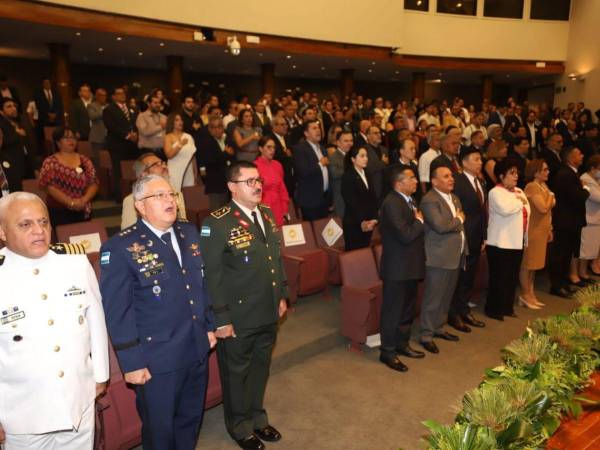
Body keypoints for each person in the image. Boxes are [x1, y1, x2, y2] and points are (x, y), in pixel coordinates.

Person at [100, 174, 216, 450]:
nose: (170, 201)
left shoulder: (188, 232)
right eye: (160, 196)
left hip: (196, 345)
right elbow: (118, 311)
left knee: (190, 419)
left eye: (171, 195)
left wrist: (210, 325)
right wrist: (132, 361)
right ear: (140, 205)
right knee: (160, 430)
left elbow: (202, 283)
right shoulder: (120, 247)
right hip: (157, 360)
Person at [0, 192, 109, 449]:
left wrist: (101, 376)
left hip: (77, 403)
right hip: (22, 417)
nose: (39, 231)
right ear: (3, 232)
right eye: (25, 225)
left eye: (44, 222)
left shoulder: (75, 263)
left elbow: (96, 321)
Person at [200, 161, 288, 450]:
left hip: (267, 309)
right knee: (237, 373)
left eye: (258, 180)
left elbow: (275, 258)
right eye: (249, 181)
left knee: (261, 367)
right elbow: (212, 275)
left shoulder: (265, 212)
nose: (257, 185)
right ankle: (239, 426)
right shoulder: (217, 221)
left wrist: (282, 295)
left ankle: (257, 418)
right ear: (231, 187)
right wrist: (221, 318)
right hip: (238, 316)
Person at [378, 165, 425, 372]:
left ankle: (402, 344)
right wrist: (420, 222)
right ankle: (387, 352)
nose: (416, 181)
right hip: (397, 267)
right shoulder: (391, 203)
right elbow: (405, 234)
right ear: (399, 183)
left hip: (411, 264)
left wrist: (417, 222)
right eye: (412, 178)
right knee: (393, 311)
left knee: (407, 309)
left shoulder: (409, 200)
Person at [419, 166, 466, 354]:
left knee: (446, 295)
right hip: (438, 256)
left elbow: (455, 225)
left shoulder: (454, 198)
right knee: (434, 297)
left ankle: (439, 327)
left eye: (451, 175)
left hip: (455, 254)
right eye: (446, 176)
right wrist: (459, 220)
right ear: (434, 181)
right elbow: (440, 226)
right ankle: (426, 335)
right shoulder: (429, 200)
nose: (451, 179)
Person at [447, 146, 487, 332]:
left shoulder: (480, 182)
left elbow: (483, 212)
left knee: (469, 276)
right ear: (464, 162)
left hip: (477, 236)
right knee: (459, 277)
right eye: (476, 159)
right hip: (463, 237)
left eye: (481, 159)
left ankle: (464, 310)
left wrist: (484, 236)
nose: (480, 162)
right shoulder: (459, 182)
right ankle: (453, 313)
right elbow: (456, 211)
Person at [485, 159, 531, 320]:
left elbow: (527, 210)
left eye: (516, 173)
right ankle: (493, 310)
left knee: (511, 277)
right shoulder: (495, 192)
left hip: (517, 241)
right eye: (512, 173)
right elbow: (505, 210)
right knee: (499, 278)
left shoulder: (519, 191)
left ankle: (507, 307)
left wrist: (519, 201)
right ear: (501, 176)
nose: (516, 176)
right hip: (499, 243)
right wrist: (519, 202)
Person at [548, 146, 590, 298]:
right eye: (579, 153)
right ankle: (557, 286)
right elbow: (578, 197)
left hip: (571, 220)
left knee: (567, 254)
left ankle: (563, 283)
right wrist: (586, 188)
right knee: (561, 254)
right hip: (565, 221)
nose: (582, 155)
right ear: (571, 157)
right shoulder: (566, 174)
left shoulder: (571, 173)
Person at [38, 126, 99, 226]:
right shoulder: (50, 162)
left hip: (83, 207)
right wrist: (71, 203)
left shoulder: (85, 160)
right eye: (66, 138)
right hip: (59, 210)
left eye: (73, 137)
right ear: (58, 142)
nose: (71, 141)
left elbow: (94, 183)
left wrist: (83, 200)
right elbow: (50, 187)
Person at [519, 159, 555, 309]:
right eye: (545, 169)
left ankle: (531, 293)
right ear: (536, 171)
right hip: (533, 231)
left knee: (535, 265)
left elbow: (549, 211)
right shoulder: (532, 186)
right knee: (527, 264)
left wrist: (550, 229)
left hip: (542, 230)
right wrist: (551, 196)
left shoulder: (544, 186)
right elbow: (543, 208)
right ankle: (524, 294)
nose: (548, 172)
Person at [120, 152, 187, 230]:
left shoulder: (176, 194)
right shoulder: (132, 200)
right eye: (156, 164)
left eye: (162, 163)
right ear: (144, 174)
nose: (164, 166)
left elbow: (183, 226)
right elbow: (129, 233)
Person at [103, 86, 138, 200]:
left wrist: (135, 134)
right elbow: (111, 127)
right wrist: (127, 135)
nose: (122, 95)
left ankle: (134, 195)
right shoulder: (108, 109)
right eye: (119, 93)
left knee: (132, 170)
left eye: (123, 93)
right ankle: (120, 196)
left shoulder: (132, 108)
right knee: (119, 171)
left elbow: (136, 123)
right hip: (117, 145)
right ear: (113, 97)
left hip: (132, 145)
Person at [292, 119, 331, 220]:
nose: (318, 130)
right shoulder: (300, 149)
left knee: (324, 230)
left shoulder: (322, 148)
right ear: (306, 133)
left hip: (324, 198)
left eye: (318, 128)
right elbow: (303, 172)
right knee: (313, 232)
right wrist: (320, 164)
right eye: (314, 128)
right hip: (310, 200)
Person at [341, 146, 378, 250]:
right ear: (353, 159)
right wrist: (362, 221)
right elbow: (351, 202)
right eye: (362, 156)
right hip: (354, 223)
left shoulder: (368, 174)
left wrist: (374, 218)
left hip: (368, 222)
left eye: (366, 156)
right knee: (355, 255)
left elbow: (373, 198)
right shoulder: (348, 176)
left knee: (366, 251)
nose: (366, 158)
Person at [197, 117, 235, 210]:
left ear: (223, 128)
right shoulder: (205, 142)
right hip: (214, 183)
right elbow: (209, 160)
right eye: (213, 127)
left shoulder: (227, 138)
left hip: (228, 182)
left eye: (219, 127)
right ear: (209, 129)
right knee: (217, 212)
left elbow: (233, 154)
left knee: (228, 211)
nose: (216, 130)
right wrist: (226, 154)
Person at [254, 136, 289, 226]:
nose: (272, 150)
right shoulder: (254, 167)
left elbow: (282, 189)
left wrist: (284, 209)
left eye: (274, 147)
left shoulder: (278, 165)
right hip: (263, 208)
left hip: (278, 207)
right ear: (260, 149)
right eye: (268, 147)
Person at [578, 155, 600, 281]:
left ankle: (584, 272)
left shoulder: (595, 180)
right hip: (588, 219)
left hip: (595, 219)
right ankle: (582, 273)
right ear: (593, 168)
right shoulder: (585, 179)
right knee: (585, 250)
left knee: (592, 249)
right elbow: (597, 197)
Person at [0, 97, 28, 194]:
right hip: (10, 165)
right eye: (9, 106)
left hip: (23, 164)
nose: (13, 108)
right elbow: (5, 143)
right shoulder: (2, 125)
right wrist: (18, 134)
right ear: (1, 111)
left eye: (14, 106)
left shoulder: (18, 123)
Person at [164, 112, 196, 192]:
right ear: (172, 122)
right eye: (177, 120)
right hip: (174, 170)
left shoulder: (188, 136)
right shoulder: (168, 137)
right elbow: (169, 155)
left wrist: (195, 173)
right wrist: (180, 144)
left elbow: (193, 158)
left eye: (181, 120)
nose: (180, 122)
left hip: (188, 171)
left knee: (189, 195)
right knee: (176, 194)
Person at [330, 130, 353, 217]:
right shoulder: (334, 157)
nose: (349, 143)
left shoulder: (352, 156)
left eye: (351, 140)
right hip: (341, 200)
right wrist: (352, 170)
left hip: (353, 198)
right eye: (346, 141)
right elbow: (334, 173)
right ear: (338, 143)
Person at [136, 94, 167, 159]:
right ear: (148, 103)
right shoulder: (142, 116)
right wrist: (160, 126)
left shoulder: (164, 117)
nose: (158, 105)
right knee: (141, 169)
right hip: (146, 152)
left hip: (162, 152)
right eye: (155, 103)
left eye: (159, 103)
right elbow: (145, 132)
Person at [87, 87, 108, 166]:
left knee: (107, 161)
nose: (103, 97)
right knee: (98, 161)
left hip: (108, 137)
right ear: (96, 96)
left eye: (105, 95)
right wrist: (104, 111)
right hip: (97, 138)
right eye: (101, 95)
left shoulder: (108, 106)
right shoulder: (91, 106)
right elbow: (92, 116)